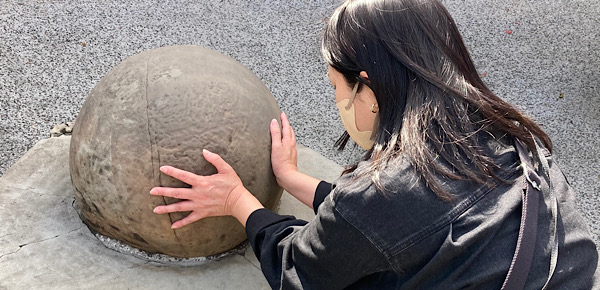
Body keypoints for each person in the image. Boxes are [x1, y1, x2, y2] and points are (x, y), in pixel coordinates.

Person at [149, 0, 599, 288]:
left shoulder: (383, 190)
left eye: (337, 88)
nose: (340, 103)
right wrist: (294, 179)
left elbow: (299, 271)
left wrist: (237, 201)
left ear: (367, 87)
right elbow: (399, 223)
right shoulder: (501, 130)